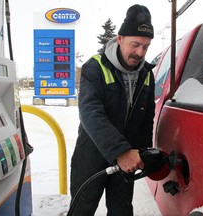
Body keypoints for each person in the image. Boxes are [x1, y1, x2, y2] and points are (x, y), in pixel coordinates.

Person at [70, 4, 155, 216]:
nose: (140, 53)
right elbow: (90, 112)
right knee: (82, 209)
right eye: (135, 44)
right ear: (119, 39)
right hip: (92, 155)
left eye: (145, 46)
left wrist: (143, 152)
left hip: (126, 159)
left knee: (122, 211)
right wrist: (120, 151)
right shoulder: (95, 67)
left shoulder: (146, 73)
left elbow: (147, 116)